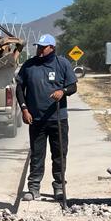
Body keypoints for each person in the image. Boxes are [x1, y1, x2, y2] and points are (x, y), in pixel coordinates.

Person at [15, 33, 78, 201]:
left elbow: (73, 87)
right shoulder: (29, 66)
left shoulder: (62, 64)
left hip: (58, 118)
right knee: (36, 154)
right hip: (36, 119)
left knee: (59, 154)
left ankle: (59, 187)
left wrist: (62, 92)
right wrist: (24, 109)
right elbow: (20, 88)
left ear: (52, 48)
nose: (40, 50)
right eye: (38, 47)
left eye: (43, 47)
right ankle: (33, 188)